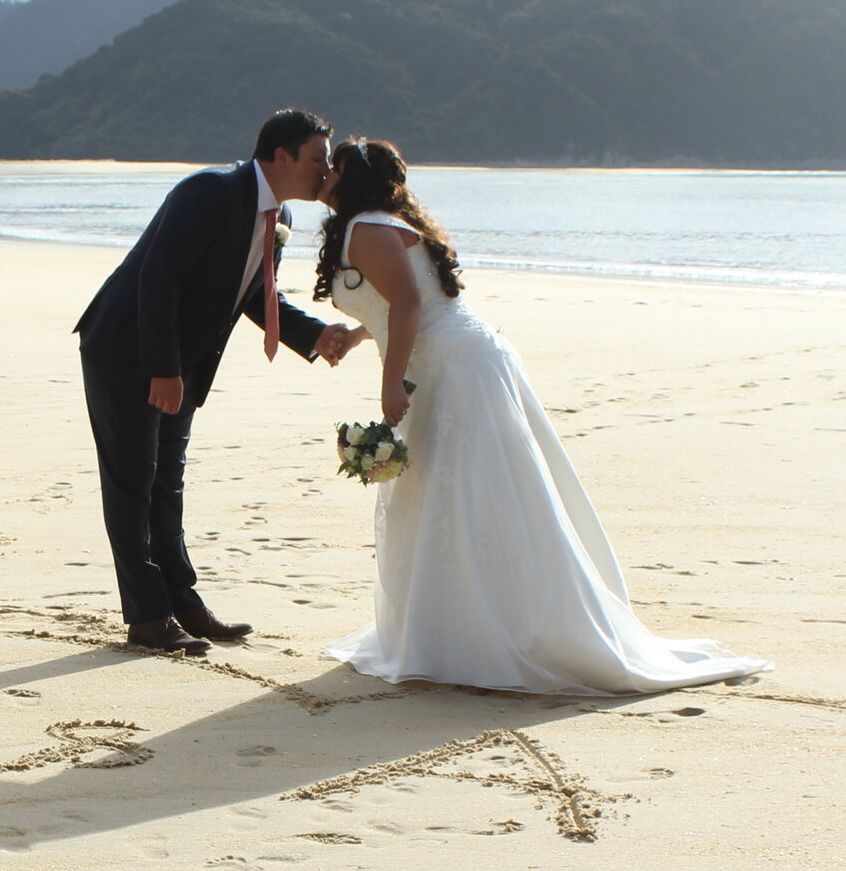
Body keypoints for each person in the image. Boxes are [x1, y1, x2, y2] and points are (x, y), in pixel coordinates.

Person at [312, 137, 770, 695]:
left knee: (476, 494)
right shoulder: (376, 224)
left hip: (452, 367)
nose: (323, 175)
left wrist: (389, 382)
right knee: (451, 493)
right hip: (455, 358)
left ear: (350, 179)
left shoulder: (368, 227)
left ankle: (496, 633)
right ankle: (451, 630)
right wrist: (361, 336)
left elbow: (409, 303)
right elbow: (403, 300)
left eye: (331, 167)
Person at [76, 108, 368, 653]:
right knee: (133, 486)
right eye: (317, 159)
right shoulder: (209, 191)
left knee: (167, 487)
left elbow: (258, 294)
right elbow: (159, 279)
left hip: (179, 365)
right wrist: (162, 369)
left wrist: (314, 335)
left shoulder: (275, 216)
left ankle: (184, 605)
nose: (324, 171)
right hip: (127, 352)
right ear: (280, 156)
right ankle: (146, 617)